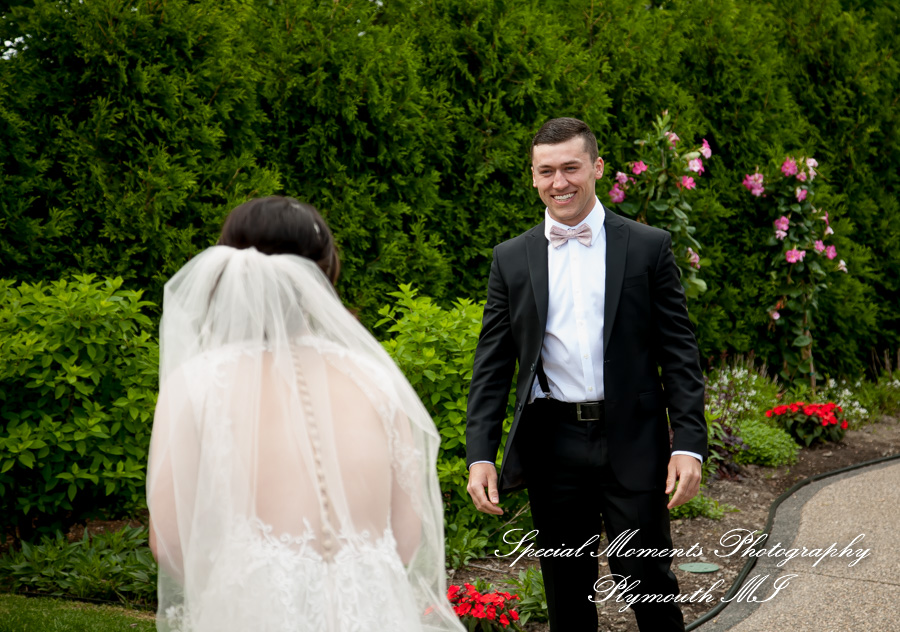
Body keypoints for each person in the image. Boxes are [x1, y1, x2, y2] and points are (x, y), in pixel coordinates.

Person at [147, 196, 464, 632]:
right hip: (373, 612)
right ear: (325, 274)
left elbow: (169, 543)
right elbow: (409, 537)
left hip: (254, 610)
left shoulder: (196, 383)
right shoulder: (376, 379)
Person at [465, 118, 707, 631]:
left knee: (650, 585)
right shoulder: (510, 259)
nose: (560, 182)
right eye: (546, 171)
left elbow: (680, 354)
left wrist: (688, 442)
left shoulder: (647, 246)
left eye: (571, 167)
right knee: (566, 593)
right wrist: (481, 454)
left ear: (596, 168)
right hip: (553, 444)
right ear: (533, 177)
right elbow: (492, 366)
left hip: (634, 439)